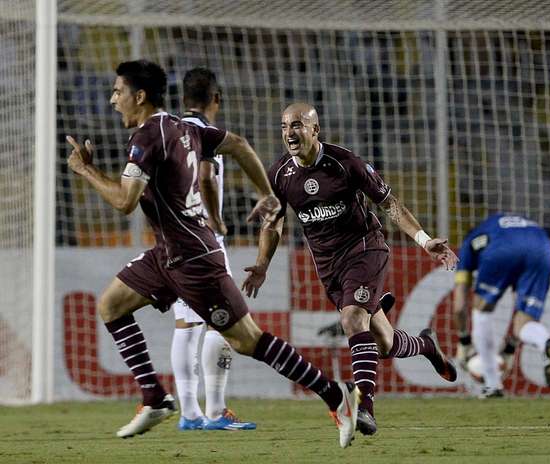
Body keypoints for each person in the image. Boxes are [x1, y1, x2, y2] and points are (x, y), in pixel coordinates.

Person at [67, 61, 360, 448]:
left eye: (118, 92)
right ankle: (155, 398)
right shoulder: (184, 127)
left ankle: (337, 395)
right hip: (166, 253)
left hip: (192, 258)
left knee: (247, 341)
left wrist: (85, 171)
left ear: (139, 97)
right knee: (110, 306)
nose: (112, 99)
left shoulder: (147, 138)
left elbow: (124, 201)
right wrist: (265, 193)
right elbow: (238, 144)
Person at [242, 102, 459, 437]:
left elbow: (390, 204)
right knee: (384, 344)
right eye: (284, 126)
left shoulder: (346, 163)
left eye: (297, 125)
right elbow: (273, 225)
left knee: (352, 319)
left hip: (365, 250)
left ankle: (364, 408)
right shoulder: (280, 175)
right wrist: (261, 265)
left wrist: (424, 239)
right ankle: (426, 345)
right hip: (329, 267)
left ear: (315, 130)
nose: (289, 133)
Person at [170, 67, 255, 431]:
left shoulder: (170, 132)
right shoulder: (207, 134)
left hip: (174, 238)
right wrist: (217, 220)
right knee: (222, 324)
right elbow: (205, 177)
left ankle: (189, 413)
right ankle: (216, 411)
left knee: (186, 325)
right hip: (203, 239)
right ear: (215, 100)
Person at [452, 213, 550, 398]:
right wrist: (510, 346)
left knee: (481, 310)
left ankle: (492, 384)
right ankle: (546, 343)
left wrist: (464, 341)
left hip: (501, 249)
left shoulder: (470, 243)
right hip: (541, 244)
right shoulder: (499, 224)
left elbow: (459, 305)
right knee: (524, 322)